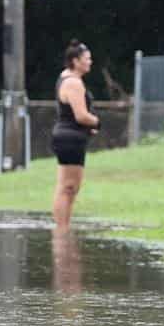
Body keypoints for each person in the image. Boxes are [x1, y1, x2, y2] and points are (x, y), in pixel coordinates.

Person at [51, 40, 99, 231]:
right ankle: (62, 230)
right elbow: (81, 115)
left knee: (67, 187)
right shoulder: (73, 82)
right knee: (69, 187)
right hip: (70, 139)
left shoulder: (67, 78)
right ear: (75, 60)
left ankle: (62, 228)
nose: (90, 62)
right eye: (87, 59)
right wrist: (96, 122)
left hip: (69, 136)